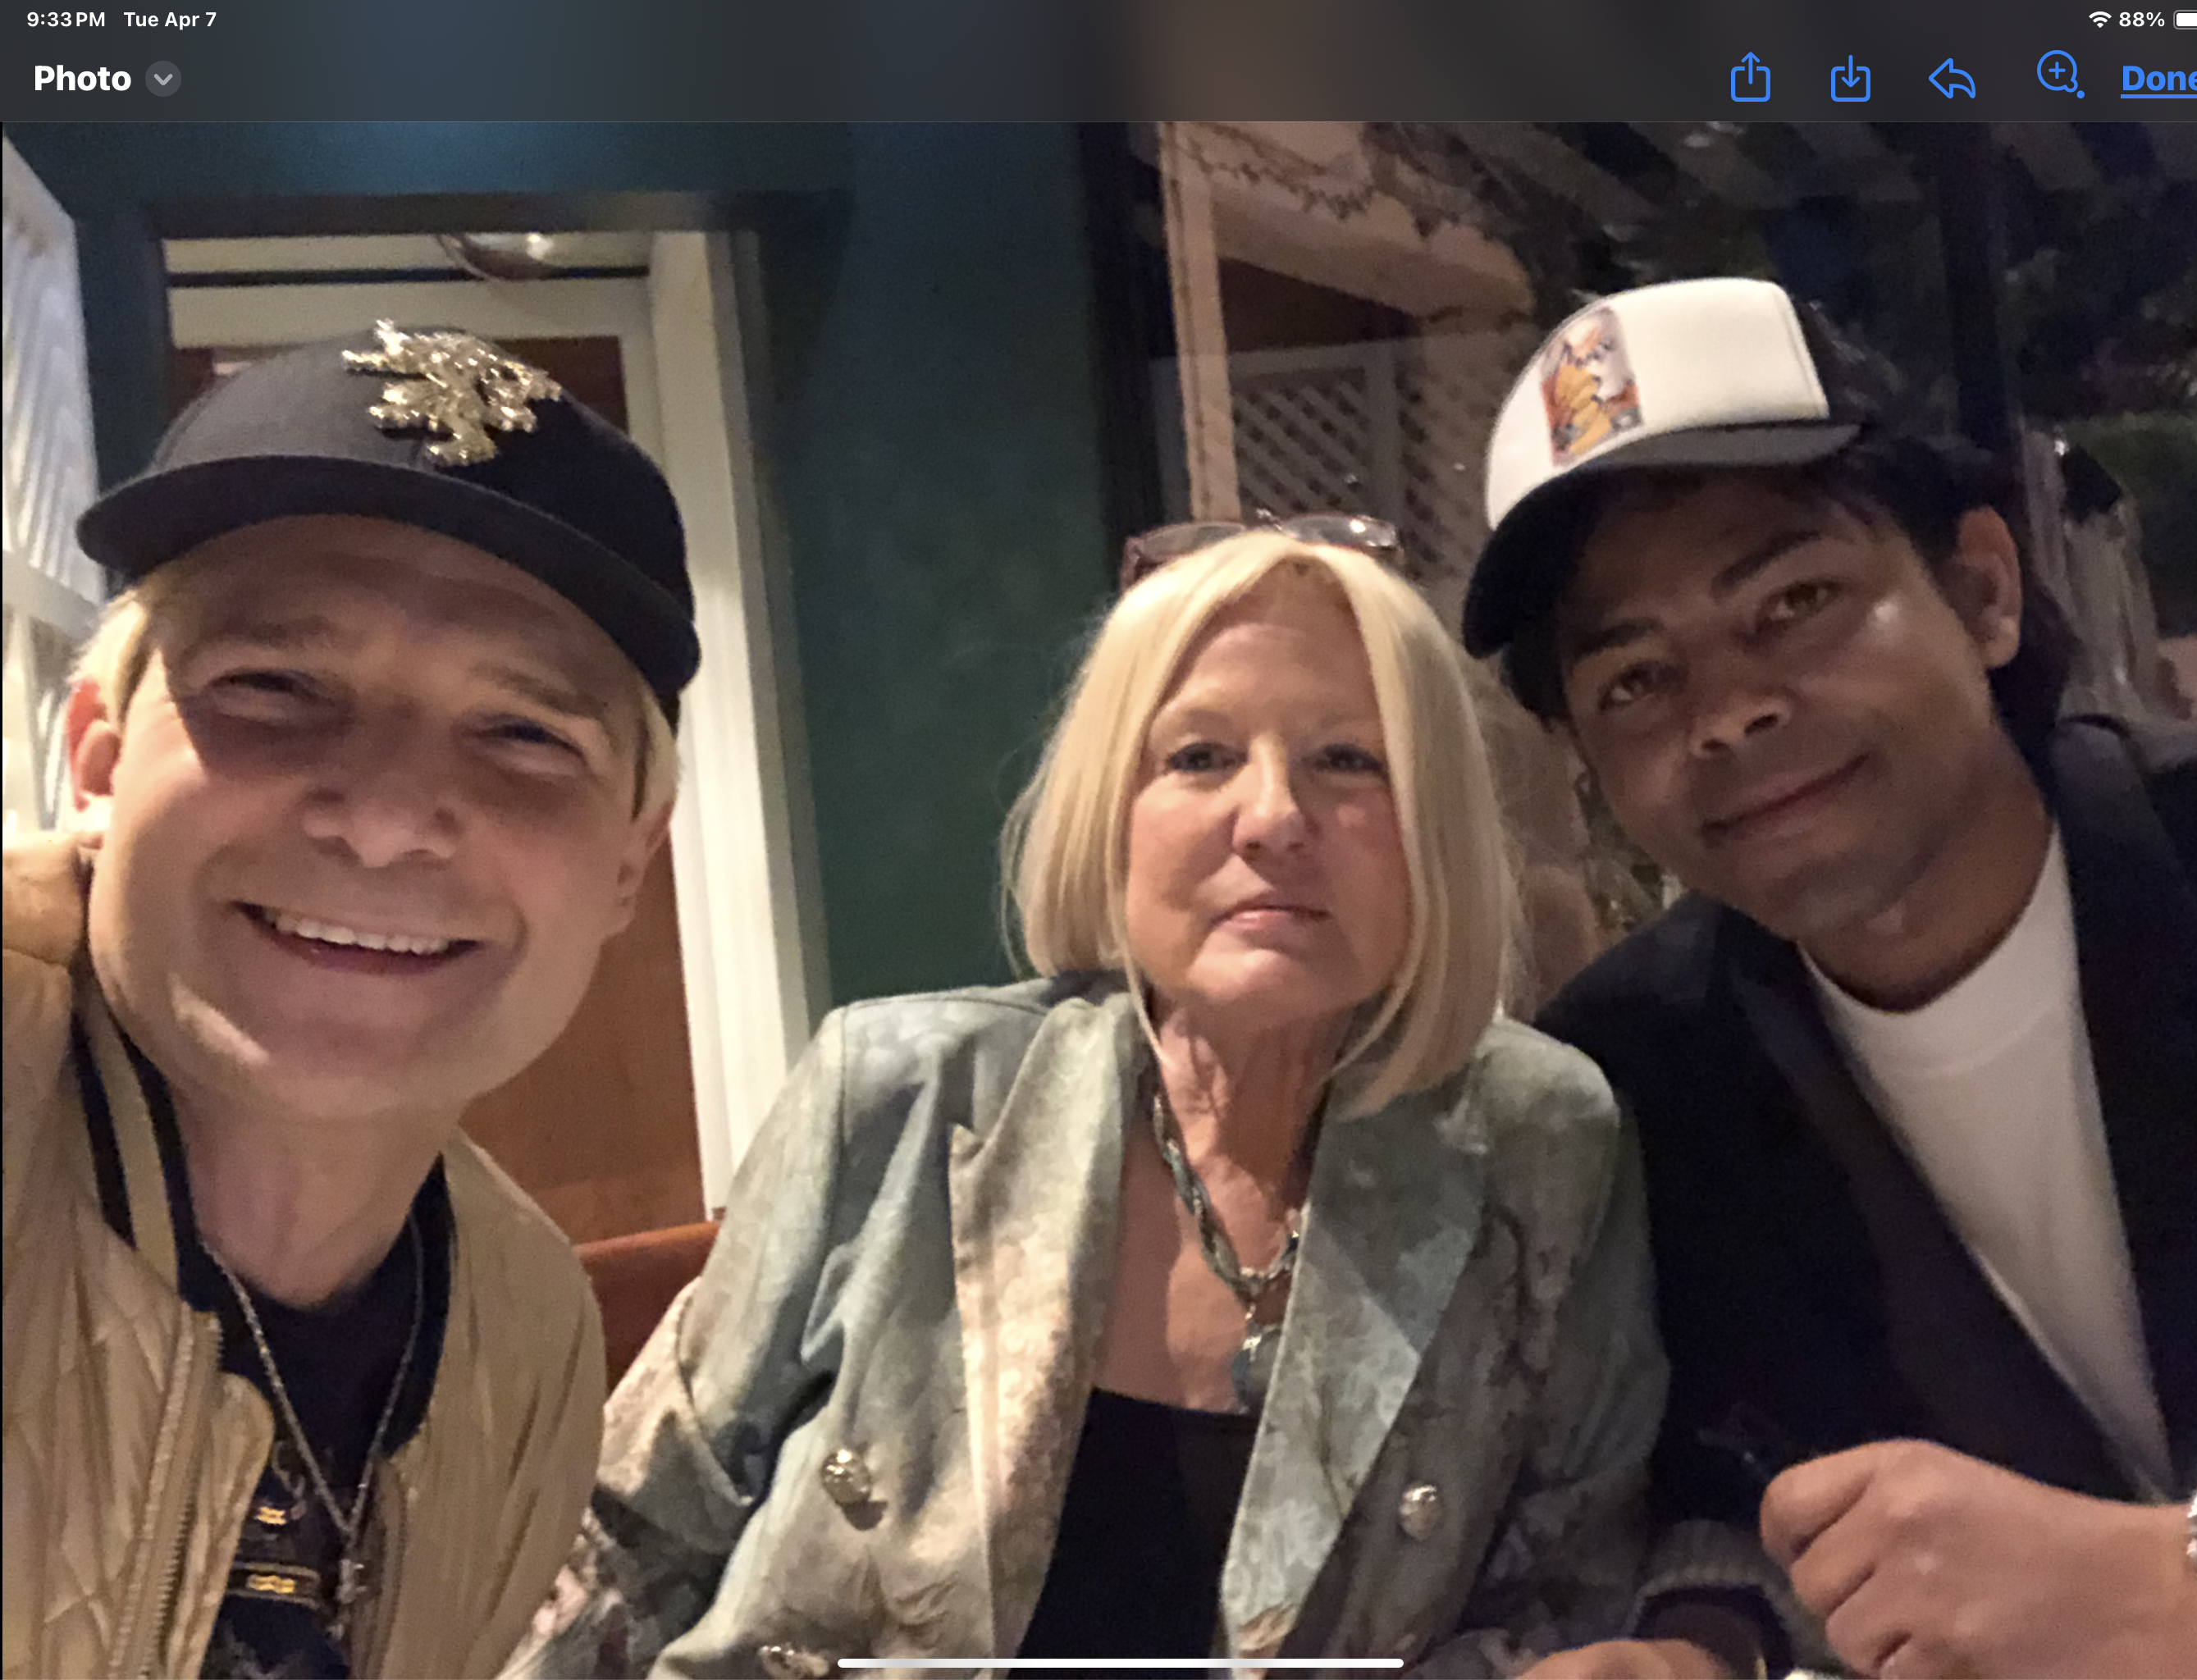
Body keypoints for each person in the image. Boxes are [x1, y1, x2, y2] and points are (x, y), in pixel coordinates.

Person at [510, 526, 1774, 1678]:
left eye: (1348, 760)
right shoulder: (893, 1090)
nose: (1273, 818)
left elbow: (1569, 1581)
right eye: (1200, 756)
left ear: (1432, 828)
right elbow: (625, 1537)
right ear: (1112, 817)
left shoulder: (1542, 1140)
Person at [1461, 276, 2197, 1678]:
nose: (1726, 712)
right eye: (1634, 681)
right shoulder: (1644, 1075)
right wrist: (1701, 1649)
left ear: (1984, 591)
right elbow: (1724, 1481)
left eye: (1795, 600)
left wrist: (2191, 1589)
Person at [2, 324, 699, 1678]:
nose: (382, 820)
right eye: (274, 687)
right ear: (95, 763)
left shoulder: (523, 1328)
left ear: (629, 861)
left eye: (524, 734)